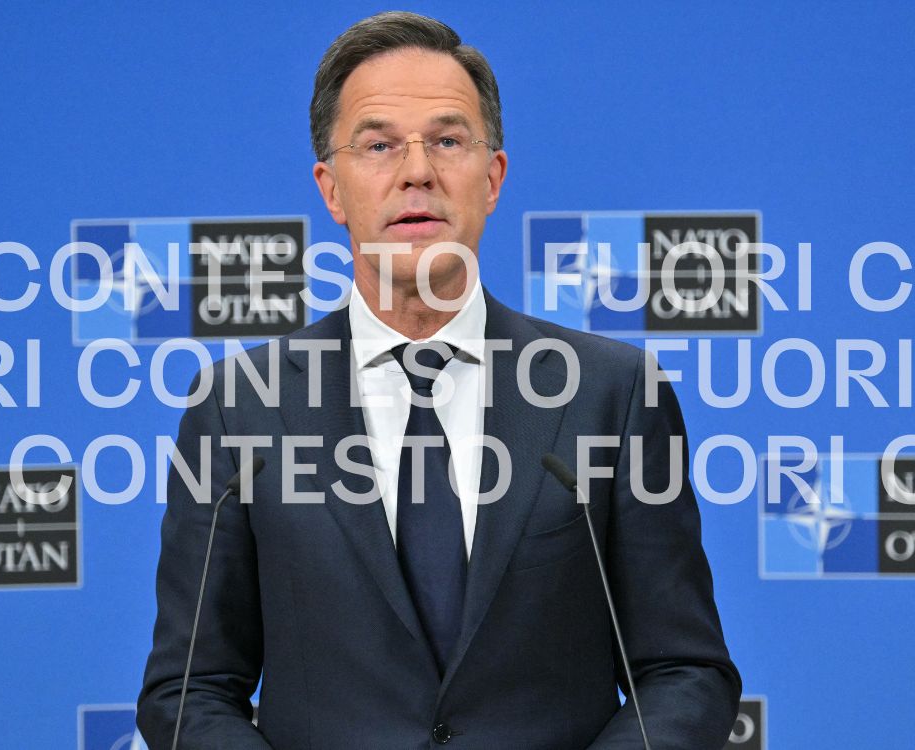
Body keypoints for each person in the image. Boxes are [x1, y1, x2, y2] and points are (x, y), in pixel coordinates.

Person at [138, 11, 739, 749]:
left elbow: (684, 671)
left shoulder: (611, 394)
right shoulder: (238, 409)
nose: (417, 171)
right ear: (332, 189)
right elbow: (188, 689)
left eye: (448, 141)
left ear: (493, 179)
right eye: (379, 145)